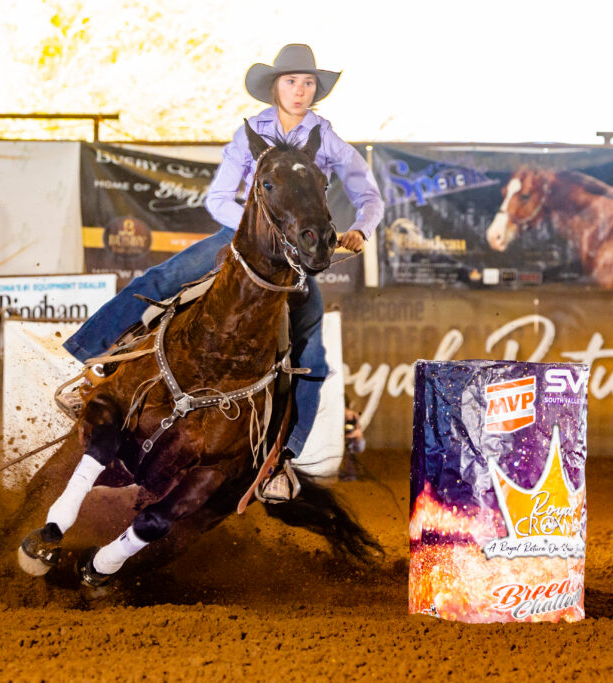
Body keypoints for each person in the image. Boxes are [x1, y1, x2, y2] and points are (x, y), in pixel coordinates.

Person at [60, 44, 384, 502]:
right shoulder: (248, 132)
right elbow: (218, 199)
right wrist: (258, 232)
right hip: (241, 239)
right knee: (158, 280)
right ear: (275, 87)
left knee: (313, 356)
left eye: (308, 82)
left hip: (294, 254)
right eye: (292, 81)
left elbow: (369, 196)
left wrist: (361, 230)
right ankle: (89, 363)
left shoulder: (329, 142)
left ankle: (283, 461)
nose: (301, 90)